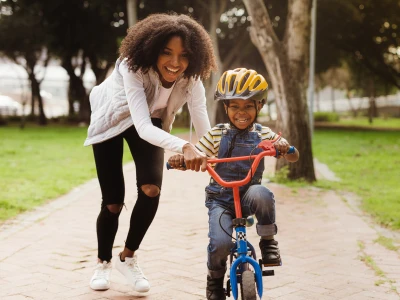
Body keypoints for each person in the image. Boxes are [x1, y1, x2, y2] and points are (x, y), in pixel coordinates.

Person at [84, 13, 217, 292]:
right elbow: (142, 127)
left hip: (150, 119)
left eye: (184, 55)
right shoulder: (132, 67)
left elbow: (202, 121)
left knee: (151, 188)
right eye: (167, 53)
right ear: (152, 50)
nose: (175, 63)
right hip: (112, 120)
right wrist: (184, 145)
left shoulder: (192, 79)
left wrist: (213, 151)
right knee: (112, 202)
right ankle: (103, 262)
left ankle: (127, 258)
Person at [168, 68, 300, 300]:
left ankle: (268, 241)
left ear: (259, 106)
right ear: (226, 108)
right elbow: (198, 153)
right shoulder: (217, 134)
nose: (242, 112)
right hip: (221, 200)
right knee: (219, 244)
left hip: (248, 196)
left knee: (262, 193)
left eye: (248, 106)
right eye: (235, 106)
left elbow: (293, 155)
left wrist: (283, 149)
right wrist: (184, 159)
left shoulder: (264, 134)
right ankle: (215, 281)